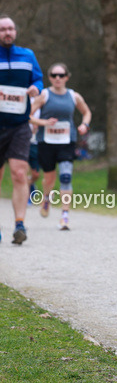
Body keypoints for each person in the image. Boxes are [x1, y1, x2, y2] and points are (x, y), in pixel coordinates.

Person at [29, 63, 91, 231]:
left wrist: (84, 125)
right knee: (49, 178)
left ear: (67, 77)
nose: (58, 78)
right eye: (54, 75)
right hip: (46, 142)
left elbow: (86, 112)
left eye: (61, 75)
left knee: (65, 177)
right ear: (49, 77)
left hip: (66, 141)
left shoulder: (73, 96)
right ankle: (47, 197)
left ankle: (65, 216)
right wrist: (44, 122)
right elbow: (28, 115)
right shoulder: (44, 95)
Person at [0, 15, 43, 245]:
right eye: (3, 29)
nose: (7, 32)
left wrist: (35, 89)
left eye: (10, 29)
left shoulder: (27, 56)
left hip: (19, 125)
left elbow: (38, 79)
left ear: (15, 32)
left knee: (18, 172)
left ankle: (19, 224)